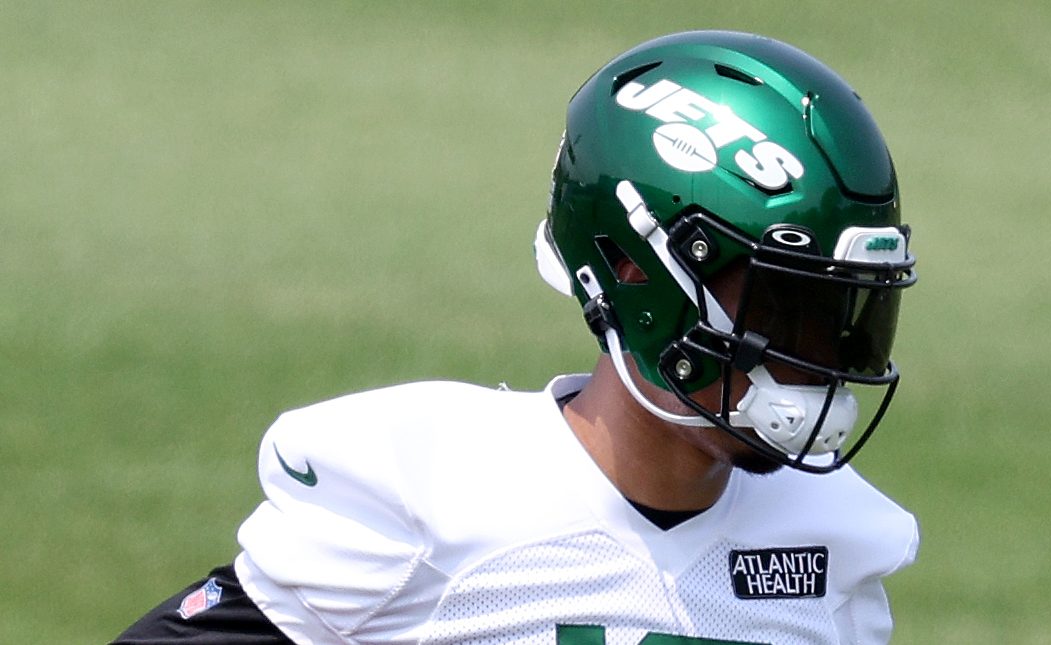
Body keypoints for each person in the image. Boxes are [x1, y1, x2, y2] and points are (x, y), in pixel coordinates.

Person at [112, 29, 919, 645]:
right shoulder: (432, 490)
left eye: (838, 313)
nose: (815, 356)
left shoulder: (837, 543)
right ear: (633, 271)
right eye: (782, 306)